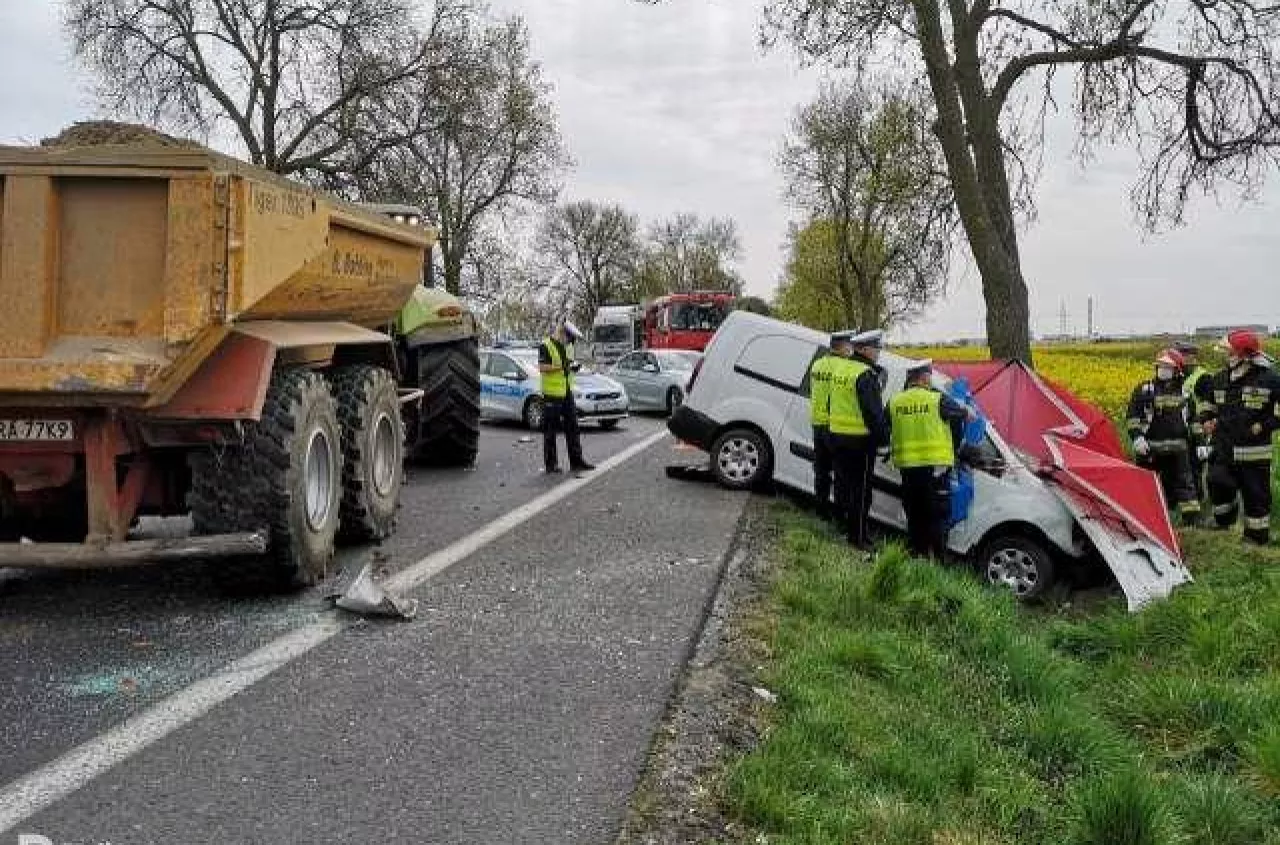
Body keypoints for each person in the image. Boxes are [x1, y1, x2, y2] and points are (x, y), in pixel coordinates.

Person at [1199, 329, 1280, 544]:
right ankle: (1223, 522)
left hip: (1253, 453)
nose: (1227, 357)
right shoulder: (1220, 378)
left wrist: (1263, 426)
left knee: (1255, 495)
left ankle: (1257, 537)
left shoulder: (1269, 379)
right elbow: (1208, 406)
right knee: (1216, 481)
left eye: (1230, 352)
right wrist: (1206, 419)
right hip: (1223, 448)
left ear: (1244, 355)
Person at [887, 360, 968, 560]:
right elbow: (962, 414)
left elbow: (883, 426)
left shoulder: (895, 401)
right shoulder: (936, 399)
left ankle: (917, 554)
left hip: (907, 466)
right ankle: (939, 560)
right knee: (936, 515)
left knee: (914, 513)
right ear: (924, 377)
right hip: (935, 467)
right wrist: (955, 444)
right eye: (929, 376)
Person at [827, 329, 890, 550]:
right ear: (863, 349)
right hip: (859, 442)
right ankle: (858, 538)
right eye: (876, 348)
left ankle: (843, 529)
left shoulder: (841, 368)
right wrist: (883, 441)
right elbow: (873, 413)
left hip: (837, 436)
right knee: (861, 492)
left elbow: (830, 402)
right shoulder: (865, 374)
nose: (879, 353)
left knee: (843, 487)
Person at [1125, 349, 1201, 527]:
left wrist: (1200, 444)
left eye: (1167, 366)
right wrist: (1137, 438)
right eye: (1160, 366)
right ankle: (1145, 521)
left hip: (1179, 450)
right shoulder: (1144, 389)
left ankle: (1191, 523)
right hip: (1150, 448)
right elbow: (1133, 417)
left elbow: (1193, 420)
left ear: (1177, 370)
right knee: (1146, 487)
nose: (1162, 369)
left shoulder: (1185, 392)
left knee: (1185, 486)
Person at [806, 331, 854, 521]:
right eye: (848, 346)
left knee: (821, 472)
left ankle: (821, 511)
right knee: (841, 475)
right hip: (836, 427)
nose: (850, 350)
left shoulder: (817, 364)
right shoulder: (844, 367)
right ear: (841, 347)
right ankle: (839, 516)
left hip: (818, 425)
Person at [539, 320, 595, 474]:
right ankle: (551, 465)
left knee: (573, 427)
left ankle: (577, 461)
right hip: (551, 394)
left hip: (566, 392)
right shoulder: (546, 345)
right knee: (550, 431)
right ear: (561, 333)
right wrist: (561, 367)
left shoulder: (567, 347)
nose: (569, 342)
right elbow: (542, 367)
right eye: (569, 338)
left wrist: (573, 367)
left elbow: (567, 365)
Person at [1174, 340, 1212, 500]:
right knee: (1181, 469)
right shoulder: (1179, 375)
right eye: (1179, 354)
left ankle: (1198, 502)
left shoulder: (1203, 377)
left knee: (1194, 469)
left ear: (1192, 356)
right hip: (1180, 430)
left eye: (1183, 355)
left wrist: (1203, 431)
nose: (1180, 358)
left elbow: (1209, 406)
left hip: (1197, 431)